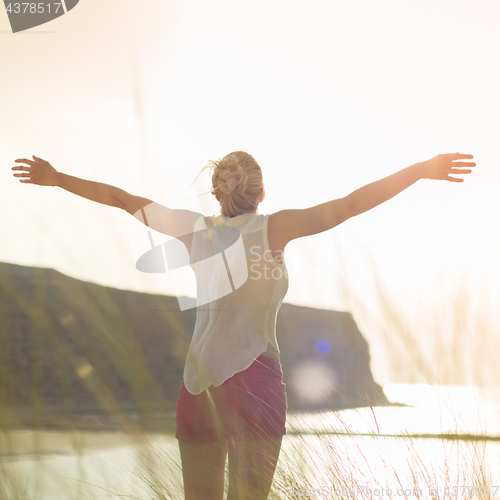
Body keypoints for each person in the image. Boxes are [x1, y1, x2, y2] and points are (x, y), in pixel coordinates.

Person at [12, 150, 475, 499]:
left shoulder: (193, 230)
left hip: (196, 389)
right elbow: (350, 205)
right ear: (260, 193)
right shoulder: (274, 228)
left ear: (217, 192)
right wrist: (419, 170)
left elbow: (120, 199)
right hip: (255, 381)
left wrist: (56, 179)